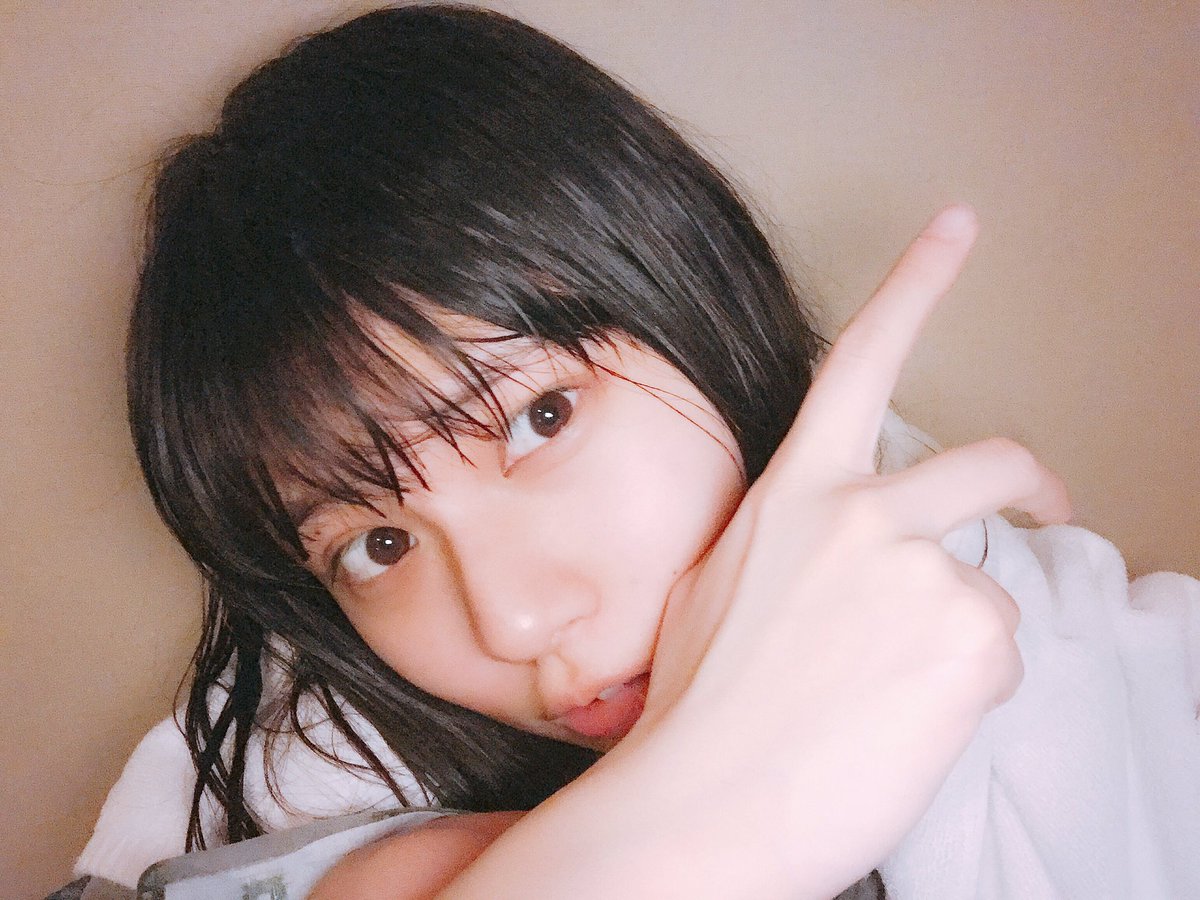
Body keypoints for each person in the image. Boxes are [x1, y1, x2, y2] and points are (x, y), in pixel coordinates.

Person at [73, 5, 1198, 899]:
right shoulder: (324, 791)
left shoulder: (1119, 660)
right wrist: (727, 816)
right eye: (378, 545)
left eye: (539, 419)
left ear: (694, 296)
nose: (514, 622)